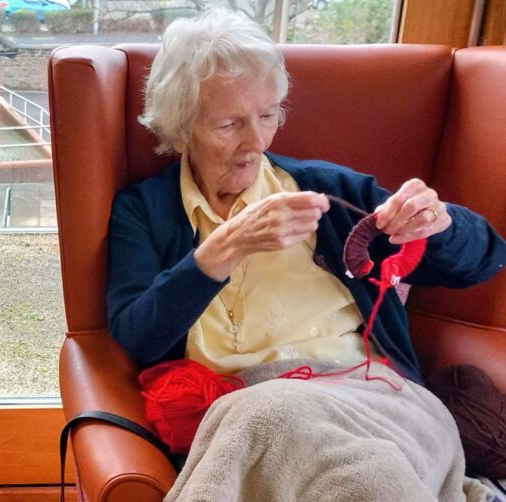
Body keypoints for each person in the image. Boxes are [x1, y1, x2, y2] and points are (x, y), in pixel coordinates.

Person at [107, 8, 506, 500]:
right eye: (230, 123)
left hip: (377, 400)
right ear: (182, 124)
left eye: (268, 116)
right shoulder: (143, 211)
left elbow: (485, 259)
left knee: (280, 421)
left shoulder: (327, 191)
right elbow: (138, 336)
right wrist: (225, 248)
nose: (256, 141)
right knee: (306, 437)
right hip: (243, 412)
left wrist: (439, 223)